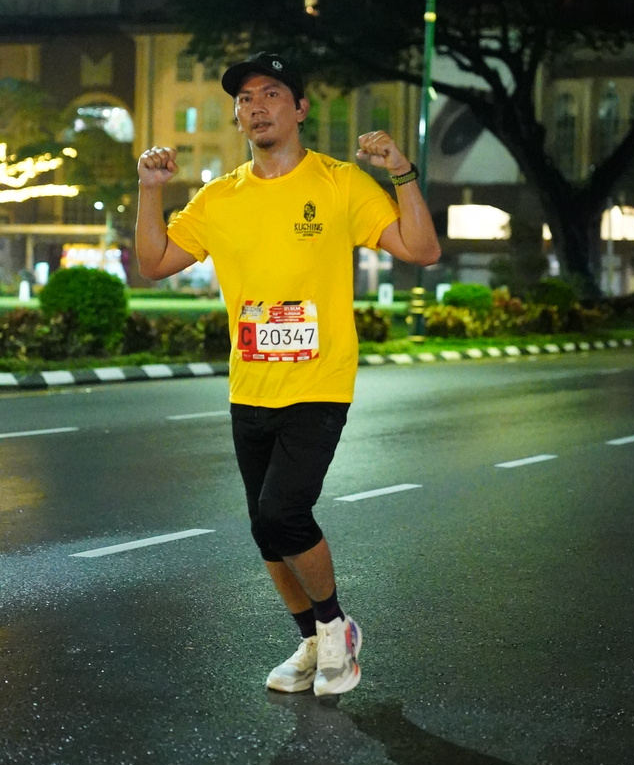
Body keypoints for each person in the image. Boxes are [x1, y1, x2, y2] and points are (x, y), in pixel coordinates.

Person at [135, 52, 440, 697]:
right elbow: (155, 262)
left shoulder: (339, 183)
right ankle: (311, 639)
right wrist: (151, 190)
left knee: (283, 512)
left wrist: (401, 172)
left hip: (319, 383)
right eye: (245, 99)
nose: (257, 107)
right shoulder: (220, 198)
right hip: (249, 386)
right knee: (264, 529)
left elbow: (422, 249)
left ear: (300, 108)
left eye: (271, 93)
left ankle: (335, 630)